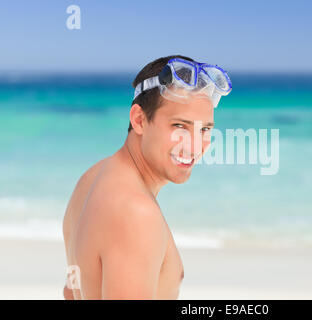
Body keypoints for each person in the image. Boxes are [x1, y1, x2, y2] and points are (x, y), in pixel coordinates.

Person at [62, 55, 232, 299]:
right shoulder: (136, 213)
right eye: (180, 126)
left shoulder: (91, 179)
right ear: (139, 120)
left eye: (204, 129)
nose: (195, 146)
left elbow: (71, 292)